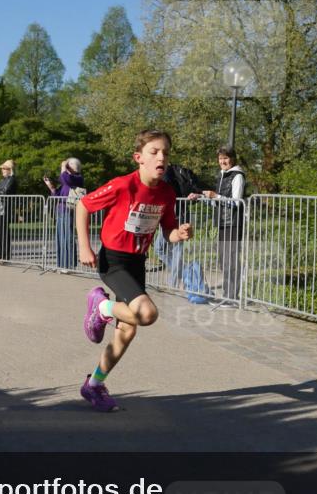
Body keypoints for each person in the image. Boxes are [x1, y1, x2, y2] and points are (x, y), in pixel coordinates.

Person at [76, 130, 193, 412]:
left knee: (127, 331)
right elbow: (83, 205)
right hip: (113, 261)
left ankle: (93, 386)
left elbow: (167, 231)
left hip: (137, 262)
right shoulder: (123, 185)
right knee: (147, 314)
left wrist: (179, 233)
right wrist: (84, 246)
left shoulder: (166, 192)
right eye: (154, 152)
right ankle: (102, 306)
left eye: (165, 152)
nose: (161, 157)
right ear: (139, 158)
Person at [196, 146, 246, 304]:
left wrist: (216, 196)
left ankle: (231, 297)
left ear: (232, 159)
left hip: (233, 222)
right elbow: (217, 202)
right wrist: (200, 196)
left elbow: (236, 202)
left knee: (230, 259)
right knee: (223, 260)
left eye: (226, 158)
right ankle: (227, 295)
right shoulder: (223, 175)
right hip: (223, 222)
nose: (223, 161)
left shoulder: (237, 176)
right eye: (220, 159)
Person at [152, 163, 201, 288]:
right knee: (159, 248)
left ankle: (173, 284)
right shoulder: (165, 172)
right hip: (170, 218)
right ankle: (182, 271)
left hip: (180, 217)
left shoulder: (166, 173)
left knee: (176, 251)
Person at [43, 157, 84, 270]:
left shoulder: (77, 178)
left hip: (68, 210)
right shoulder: (66, 182)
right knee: (60, 237)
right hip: (60, 211)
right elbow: (57, 196)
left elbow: (65, 178)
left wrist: (63, 167)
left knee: (68, 237)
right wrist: (51, 187)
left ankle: (70, 264)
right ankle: (61, 264)